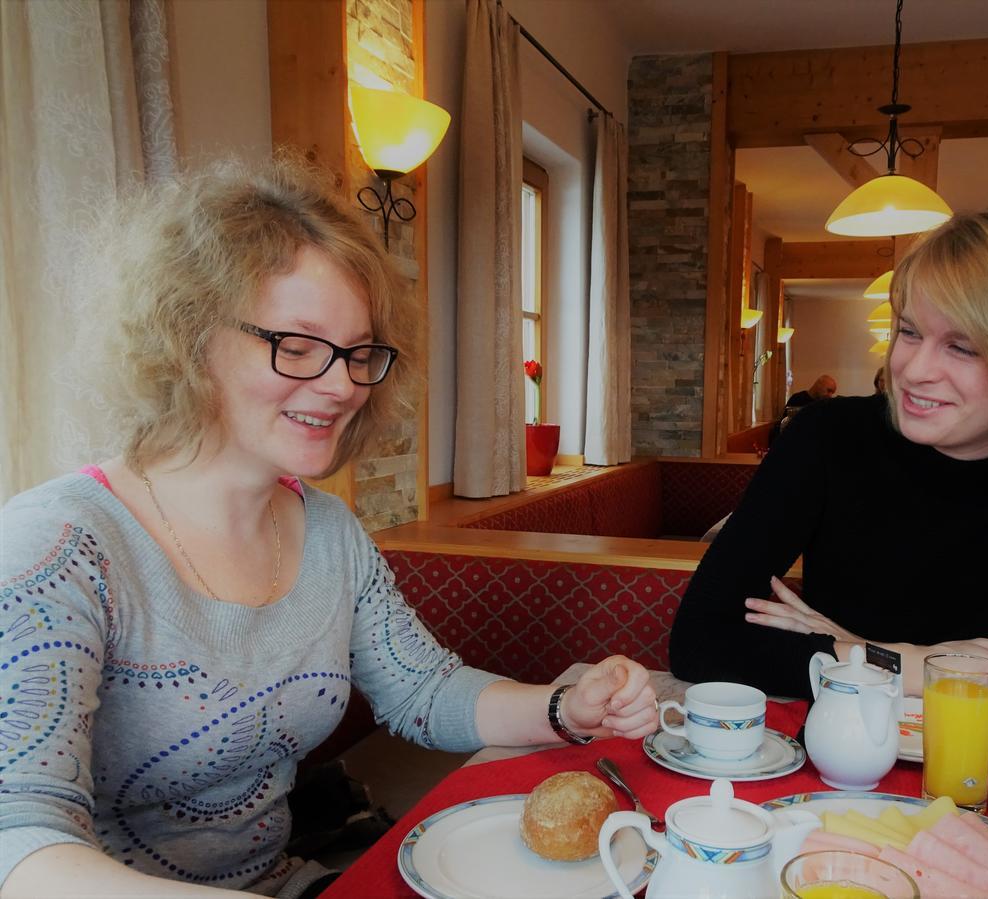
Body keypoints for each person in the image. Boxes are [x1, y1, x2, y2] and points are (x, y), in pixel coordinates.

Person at [0, 158, 658, 899]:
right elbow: (19, 840)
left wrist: (563, 706)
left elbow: (422, 688)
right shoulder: (58, 545)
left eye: (356, 351)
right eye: (298, 344)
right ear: (186, 337)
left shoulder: (328, 530)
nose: (343, 383)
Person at [669, 204, 988, 727]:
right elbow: (700, 640)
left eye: (963, 347)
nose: (914, 371)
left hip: (987, 754)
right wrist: (912, 666)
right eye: (909, 331)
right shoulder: (826, 434)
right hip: (845, 741)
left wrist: (855, 649)